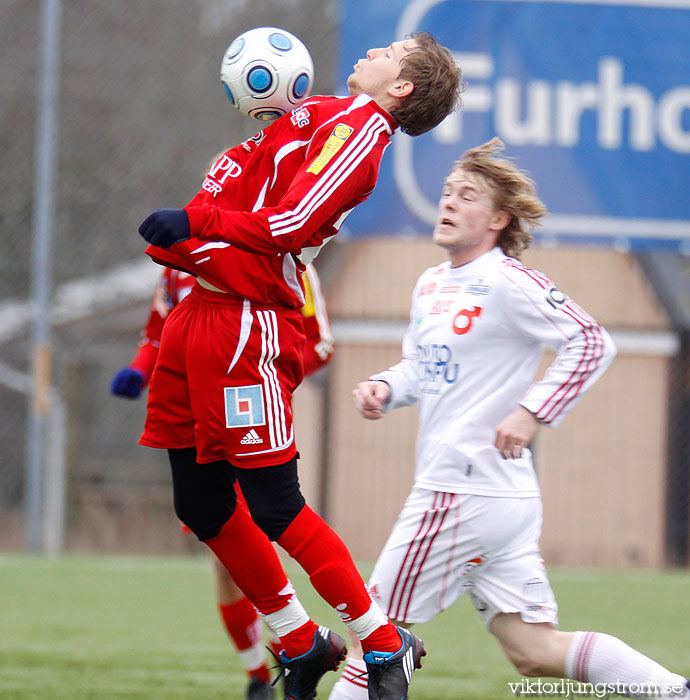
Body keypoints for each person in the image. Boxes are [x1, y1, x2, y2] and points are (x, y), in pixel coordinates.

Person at [135, 32, 463, 700]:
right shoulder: (319, 116)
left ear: (400, 88)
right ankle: (299, 641)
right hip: (194, 316)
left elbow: (294, 220)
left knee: (276, 505)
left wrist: (199, 219)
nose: (374, 50)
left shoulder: (364, 134)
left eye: (391, 51)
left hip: (243, 323)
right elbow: (249, 177)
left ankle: (382, 641)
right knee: (199, 503)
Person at [327, 137, 690, 700]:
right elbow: (423, 369)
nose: (448, 202)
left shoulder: (508, 279)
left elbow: (592, 341)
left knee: (372, 632)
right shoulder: (430, 283)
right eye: (446, 191)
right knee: (534, 651)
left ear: (498, 218)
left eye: (467, 195)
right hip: (496, 500)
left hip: (461, 493)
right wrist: (385, 386)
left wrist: (531, 412)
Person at [111, 264, 334, 700]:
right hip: (195, 427)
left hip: (252, 422)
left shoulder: (283, 261)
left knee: (261, 543)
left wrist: (267, 374)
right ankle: (257, 674)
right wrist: (139, 370)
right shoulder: (179, 264)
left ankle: (296, 652)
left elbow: (320, 345)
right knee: (227, 564)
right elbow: (157, 334)